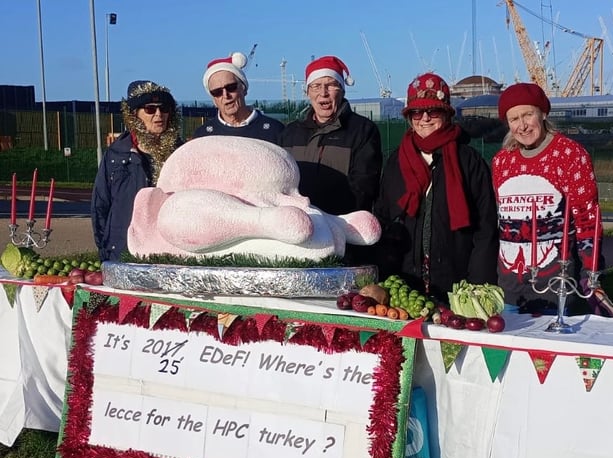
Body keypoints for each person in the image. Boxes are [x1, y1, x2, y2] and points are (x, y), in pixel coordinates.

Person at [492, 82, 613, 317]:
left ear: (542, 114)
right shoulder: (502, 162)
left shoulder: (570, 155)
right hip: (510, 283)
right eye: (514, 119)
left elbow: (587, 219)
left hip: (553, 281)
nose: (522, 126)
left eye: (528, 115)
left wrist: (589, 273)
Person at [373, 73, 499, 300]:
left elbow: (485, 227)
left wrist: (478, 286)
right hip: (404, 285)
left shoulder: (468, 160)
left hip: (456, 284)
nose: (425, 118)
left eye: (433, 111)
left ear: (447, 114)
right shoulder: (396, 161)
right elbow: (384, 217)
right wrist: (385, 276)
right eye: (417, 112)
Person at [278, 55, 382, 217]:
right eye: (316, 86)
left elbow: (363, 188)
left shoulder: (363, 131)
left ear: (342, 89)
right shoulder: (290, 133)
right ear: (307, 92)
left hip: (341, 231)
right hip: (298, 229)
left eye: (331, 85)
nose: (323, 93)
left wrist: (327, 221)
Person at [91, 80, 183, 262]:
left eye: (164, 109)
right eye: (150, 109)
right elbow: (100, 205)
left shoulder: (180, 153)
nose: (158, 115)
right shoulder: (116, 154)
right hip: (122, 251)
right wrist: (106, 250)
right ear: (135, 114)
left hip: (168, 252)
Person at [193, 52, 283, 142]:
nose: (225, 95)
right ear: (213, 99)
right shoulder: (202, 137)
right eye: (217, 92)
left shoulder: (275, 131)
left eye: (231, 87)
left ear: (244, 88)